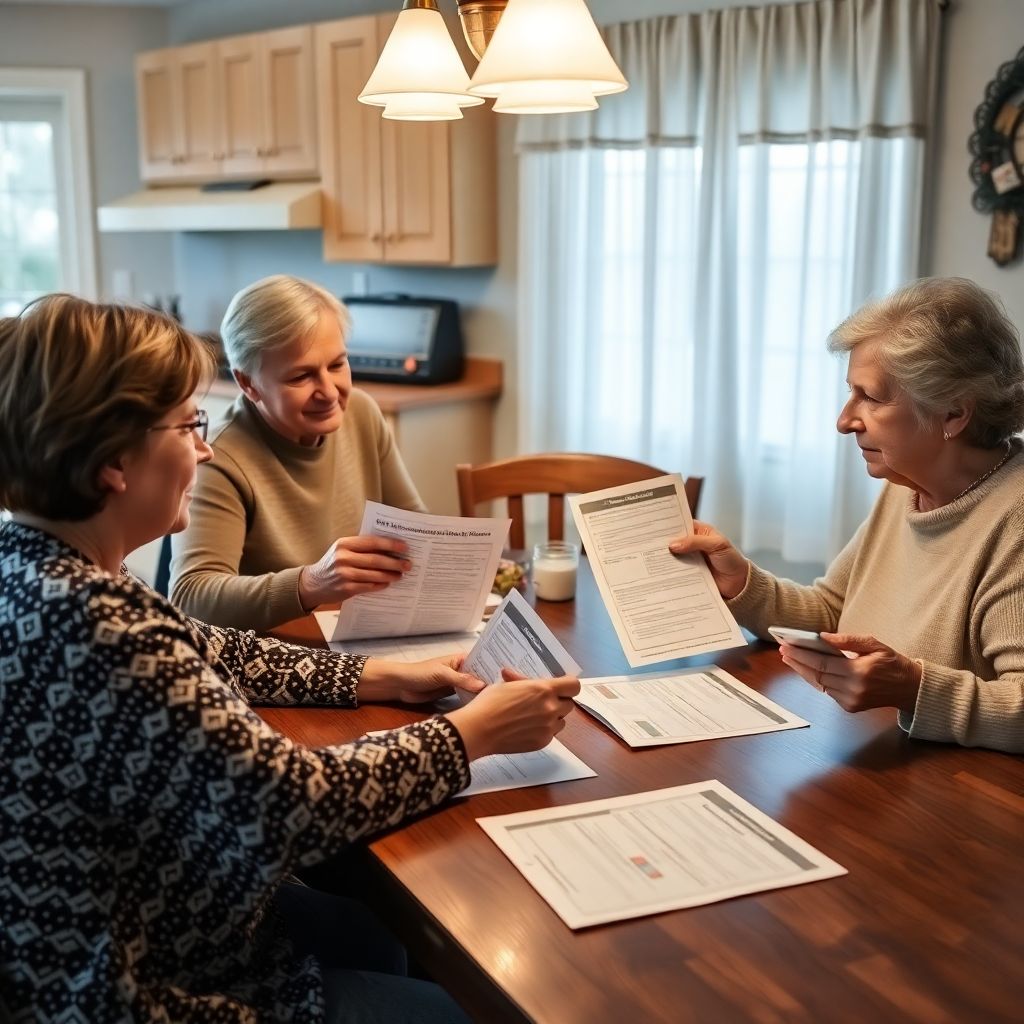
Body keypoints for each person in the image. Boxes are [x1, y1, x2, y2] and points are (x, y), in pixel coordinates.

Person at [0, 295, 580, 1023]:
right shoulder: (106, 630)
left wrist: (380, 675)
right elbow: (289, 809)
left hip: (125, 924)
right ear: (115, 461)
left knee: (378, 933)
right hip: (136, 986)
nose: (204, 449)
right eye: (188, 426)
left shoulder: (35, 567)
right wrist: (475, 733)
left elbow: (216, 648)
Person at [670, 277, 1024, 754]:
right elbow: (834, 613)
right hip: (872, 761)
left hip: (959, 803)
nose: (844, 420)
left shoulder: (1014, 518)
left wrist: (914, 688)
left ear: (954, 413)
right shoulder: (908, 487)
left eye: (872, 397)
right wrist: (743, 584)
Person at [170, 275, 425, 631]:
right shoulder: (218, 457)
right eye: (301, 377)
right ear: (248, 383)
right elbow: (191, 597)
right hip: (271, 662)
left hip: (353, 640)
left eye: (337, 365)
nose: (330, 392)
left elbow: (414, 529)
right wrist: (311, 583)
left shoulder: (362, 413)